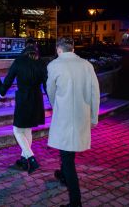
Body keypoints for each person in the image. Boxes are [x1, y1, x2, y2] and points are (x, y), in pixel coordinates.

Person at [46, 37, 100, 207]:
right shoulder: (87, 65)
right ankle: (63, 174)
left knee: (68, 158)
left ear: (58, 49)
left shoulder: (54, 65)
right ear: (73, 48)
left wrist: (57, 105)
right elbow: (95, 93)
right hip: (81, 116)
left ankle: (75, 201)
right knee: (68, 152)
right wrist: (94, 117)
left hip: (64, 117)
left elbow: (51, 90)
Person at [0, 38, 47, 174]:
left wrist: (2, 92)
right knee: (27, 130)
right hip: (36, 98)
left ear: (25, 47)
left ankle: (31, 159)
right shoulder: (41, 62)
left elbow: (9, 79)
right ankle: (23, 159)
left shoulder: (19, 61)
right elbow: (46, 82)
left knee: (17, 130)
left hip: (24, 98)